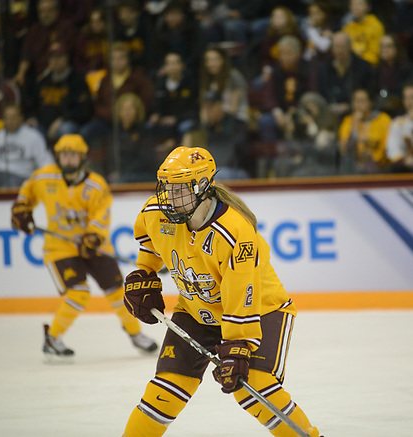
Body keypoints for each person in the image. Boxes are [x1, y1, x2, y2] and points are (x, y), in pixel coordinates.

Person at [121, 146, 322, 436]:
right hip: (196, 311)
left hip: (260, 311)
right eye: (166, 187)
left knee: (254, 389)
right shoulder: (156, 213)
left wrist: (238, 345)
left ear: (203, 187)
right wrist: (144, 273)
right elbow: (150, 243)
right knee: (164, 392)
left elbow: (243, 294)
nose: (168, 197)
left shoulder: (234, 233)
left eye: (178, 190)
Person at [10, 134, 158, 359]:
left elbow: (101, 216)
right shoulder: (44, 177)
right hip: (60, 247)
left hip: (93, 245)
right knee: (79, 293)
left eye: (73, 155)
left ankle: (135, 333)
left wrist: (93, 237)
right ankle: (53, 338)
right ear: (58, 156)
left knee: (118, 291)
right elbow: (26, 192)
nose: (68, 159)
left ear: (82, 157)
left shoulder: (96, 185)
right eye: (64, 155)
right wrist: (21, 207)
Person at [0, 104, 53, 188]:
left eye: (13, 117)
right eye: (7, 118)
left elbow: (47, 163)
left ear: (21, 118)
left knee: (11, 182)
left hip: (22, 178)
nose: (10, 121)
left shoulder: (33, 136)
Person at [338, 87, 391, 174]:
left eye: (362, 101)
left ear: (370, 102)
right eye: (356, 101)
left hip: (379, 168)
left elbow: (387, 148)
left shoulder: (383, 119)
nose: (358, 105)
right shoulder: (348, 121)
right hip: (353, 169)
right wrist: (354, 126)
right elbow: (344, 149)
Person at [385, 82, 413, 173]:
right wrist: (404, 160)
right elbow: (393, 149)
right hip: (405, 168)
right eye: (407, 98)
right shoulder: (397, 123)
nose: (410, 102)